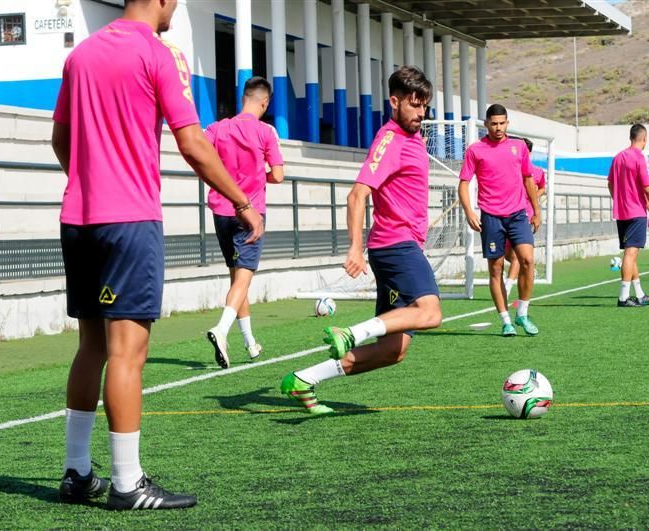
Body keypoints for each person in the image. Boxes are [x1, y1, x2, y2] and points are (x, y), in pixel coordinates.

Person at [51, 0, 262, 510]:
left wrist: (90, 182)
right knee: (128, 353)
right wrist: (241, 201)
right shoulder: (158, 54)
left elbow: (60, 138)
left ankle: (77, 473)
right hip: (128, 222)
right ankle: (127, 483)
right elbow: (192, 143)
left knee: (91, 348)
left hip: (78, 220)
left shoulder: (80, 55)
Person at [280, 66, 441, 415]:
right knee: (430, 313)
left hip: (399, 246)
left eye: (424, 106)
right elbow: (357, 195)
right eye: (414, 106)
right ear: (394, 102)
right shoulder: (390, 139)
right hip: (396, 245)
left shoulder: (412, 137)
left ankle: (304, 379)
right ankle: (352, 332)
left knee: (392, 351)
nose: (420, 114)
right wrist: (355, 247)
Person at [205, 77, 284, 368]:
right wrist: (255, 173)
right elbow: (278, 174)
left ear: (244, 98)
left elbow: (202, 157)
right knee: (243, 277)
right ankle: (221, 330)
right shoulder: (265, 132)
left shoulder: (217, 128)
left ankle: (250, 343)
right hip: (250, 212)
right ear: (265, 103)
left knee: (237, 279)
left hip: (221, 211)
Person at [458, 105, 541, 336]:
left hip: (517, 215)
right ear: (486, 124)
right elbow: (463, 183)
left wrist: (536, 210)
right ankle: (505, 321)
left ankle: (522, 313)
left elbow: (528, 179)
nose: (498, 128)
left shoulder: (519, 146)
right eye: (494, 123)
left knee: (527, 260)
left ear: (507, 123)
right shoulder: (476, 150)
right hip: (491, 217)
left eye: (502, 123)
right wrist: (469, 212)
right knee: (496, 270)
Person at [607, 123, 649, 307]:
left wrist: (619, 198)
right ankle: (623, 297)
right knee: (631, 254)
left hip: (622, 211)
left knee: (630, 253)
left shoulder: (618, 157)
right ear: (644, 139)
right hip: (636, 211)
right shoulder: (639, 158)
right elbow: (648, 188)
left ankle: (639, 294)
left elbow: (610, 183)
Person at [504, 138, 545, 300]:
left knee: (516, 255)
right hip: (506, 213)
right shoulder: (510, 169)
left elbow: (542, 188)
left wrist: (533, 196)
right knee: (507, 254)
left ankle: (507, 286)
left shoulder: (537, 171)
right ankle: (525, 270)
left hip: (525, 215)